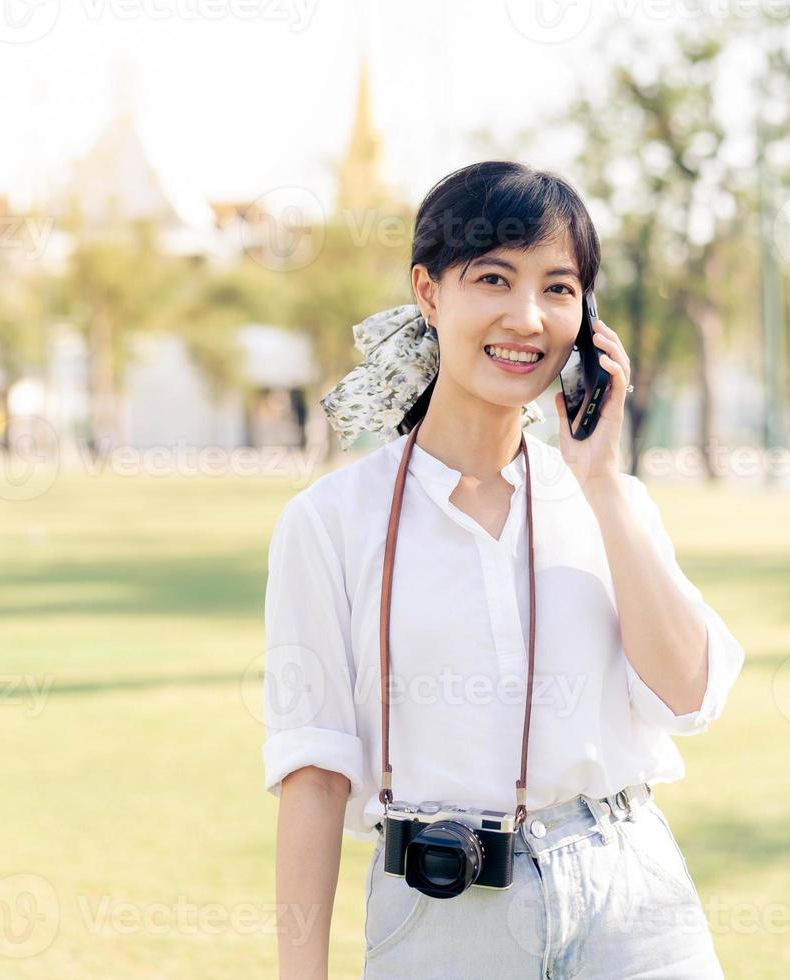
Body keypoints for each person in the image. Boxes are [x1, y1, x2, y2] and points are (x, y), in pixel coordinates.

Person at [261, 160, 745, 979]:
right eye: (493, 278)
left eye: (558, 288)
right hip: (444, 911)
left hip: (632, 900)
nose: (526, 317)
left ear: (587, 318)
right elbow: (315, 773)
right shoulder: (330, 522)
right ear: (428, 292)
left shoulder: (605, 502)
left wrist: (598, 481)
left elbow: (689, 694)